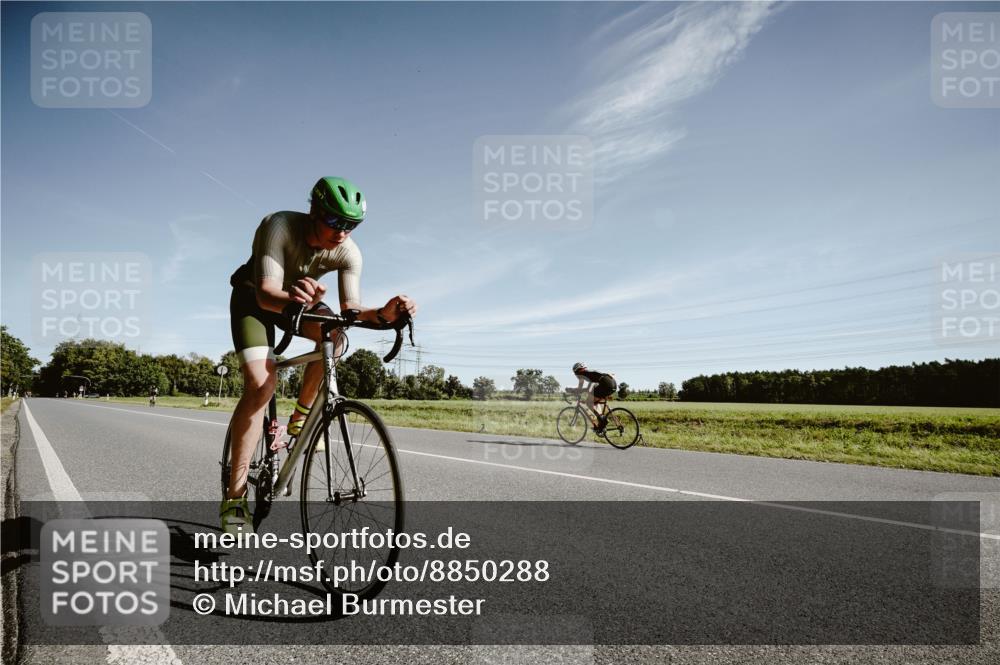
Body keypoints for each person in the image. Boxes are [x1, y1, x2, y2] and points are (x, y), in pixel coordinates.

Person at [221, 176, 417, 535]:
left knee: (337, 335)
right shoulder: (278, 225)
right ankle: (234, 498)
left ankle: (300, 418)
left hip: (303, 302)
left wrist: (385, 313)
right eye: (334, 221)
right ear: (313, 210)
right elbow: (267, 294)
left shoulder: (349, 252)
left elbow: (351, 309)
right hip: (255, 299)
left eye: (352, 225)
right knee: (262, 385)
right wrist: (294, 296)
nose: (342, 232)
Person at [570, 362, 617, 433]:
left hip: (606, 384)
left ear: (577, 371)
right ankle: (601, 423)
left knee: (588, 403)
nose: (576, 375)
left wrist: (574, 392)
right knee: (594, 401)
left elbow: (583, 388)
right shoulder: (588, 373)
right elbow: (586, 388)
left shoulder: (583, 374)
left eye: (575, 373)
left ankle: (601, 421)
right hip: (613, 384)